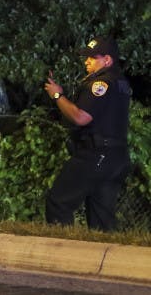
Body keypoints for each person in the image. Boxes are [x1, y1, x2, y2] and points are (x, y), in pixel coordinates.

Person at [43, 36, 132, 231]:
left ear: (107, 60)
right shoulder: (121, 83)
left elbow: (81, 117)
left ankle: (61, 253)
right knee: (101, 220)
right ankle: (103, 258)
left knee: (59, 202)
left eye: (93, 58)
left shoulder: (101, 84)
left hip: (95, 154)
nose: (87, 61)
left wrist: (57, 95)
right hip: (116, 156)